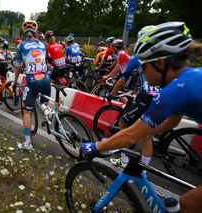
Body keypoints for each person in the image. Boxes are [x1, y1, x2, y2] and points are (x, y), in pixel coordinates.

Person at [80, 21, 202, 212]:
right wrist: (146, 129)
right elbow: (173, 121)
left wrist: (96, 146)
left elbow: (130, 136)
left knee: (189, 204)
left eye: (144, 65)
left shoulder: (176, 90)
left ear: (160, 63)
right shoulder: (187, 79)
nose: (142, 72)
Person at [108, 26, 158, 168]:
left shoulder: (138, 57)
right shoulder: (163, 55)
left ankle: (124, 161)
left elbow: (123, 79)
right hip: (163, 96)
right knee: (147, 135)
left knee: (124, 123)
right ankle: (144, 168)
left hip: (146, 96)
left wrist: (112, 94)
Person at [14, 20, 50, 150]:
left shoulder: (20, 46)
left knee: (26, 111)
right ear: (35, 32)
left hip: (32, 80)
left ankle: (27, 143)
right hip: (46, 78)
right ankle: (48, 112)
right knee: (45, 103)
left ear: (24, 33)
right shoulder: (43, 44)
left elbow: (18, 66)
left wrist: (15, 80)